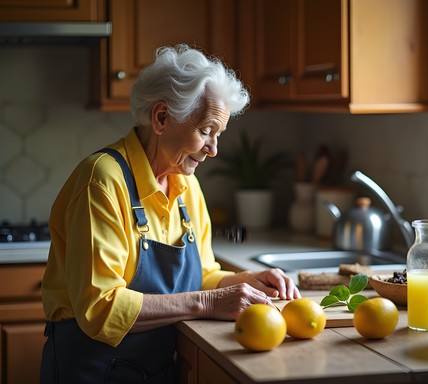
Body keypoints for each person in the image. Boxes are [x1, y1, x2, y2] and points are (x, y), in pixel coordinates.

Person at [40, 44, 300, 384]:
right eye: (206, 131)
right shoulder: (102, 180)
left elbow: (203, 275)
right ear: (161, 118)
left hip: (156, 369)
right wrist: (209, 303)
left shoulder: (185, 184)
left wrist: (246, 282)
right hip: (93, 371)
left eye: (218, 136)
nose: (213, 149)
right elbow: (100, 310)